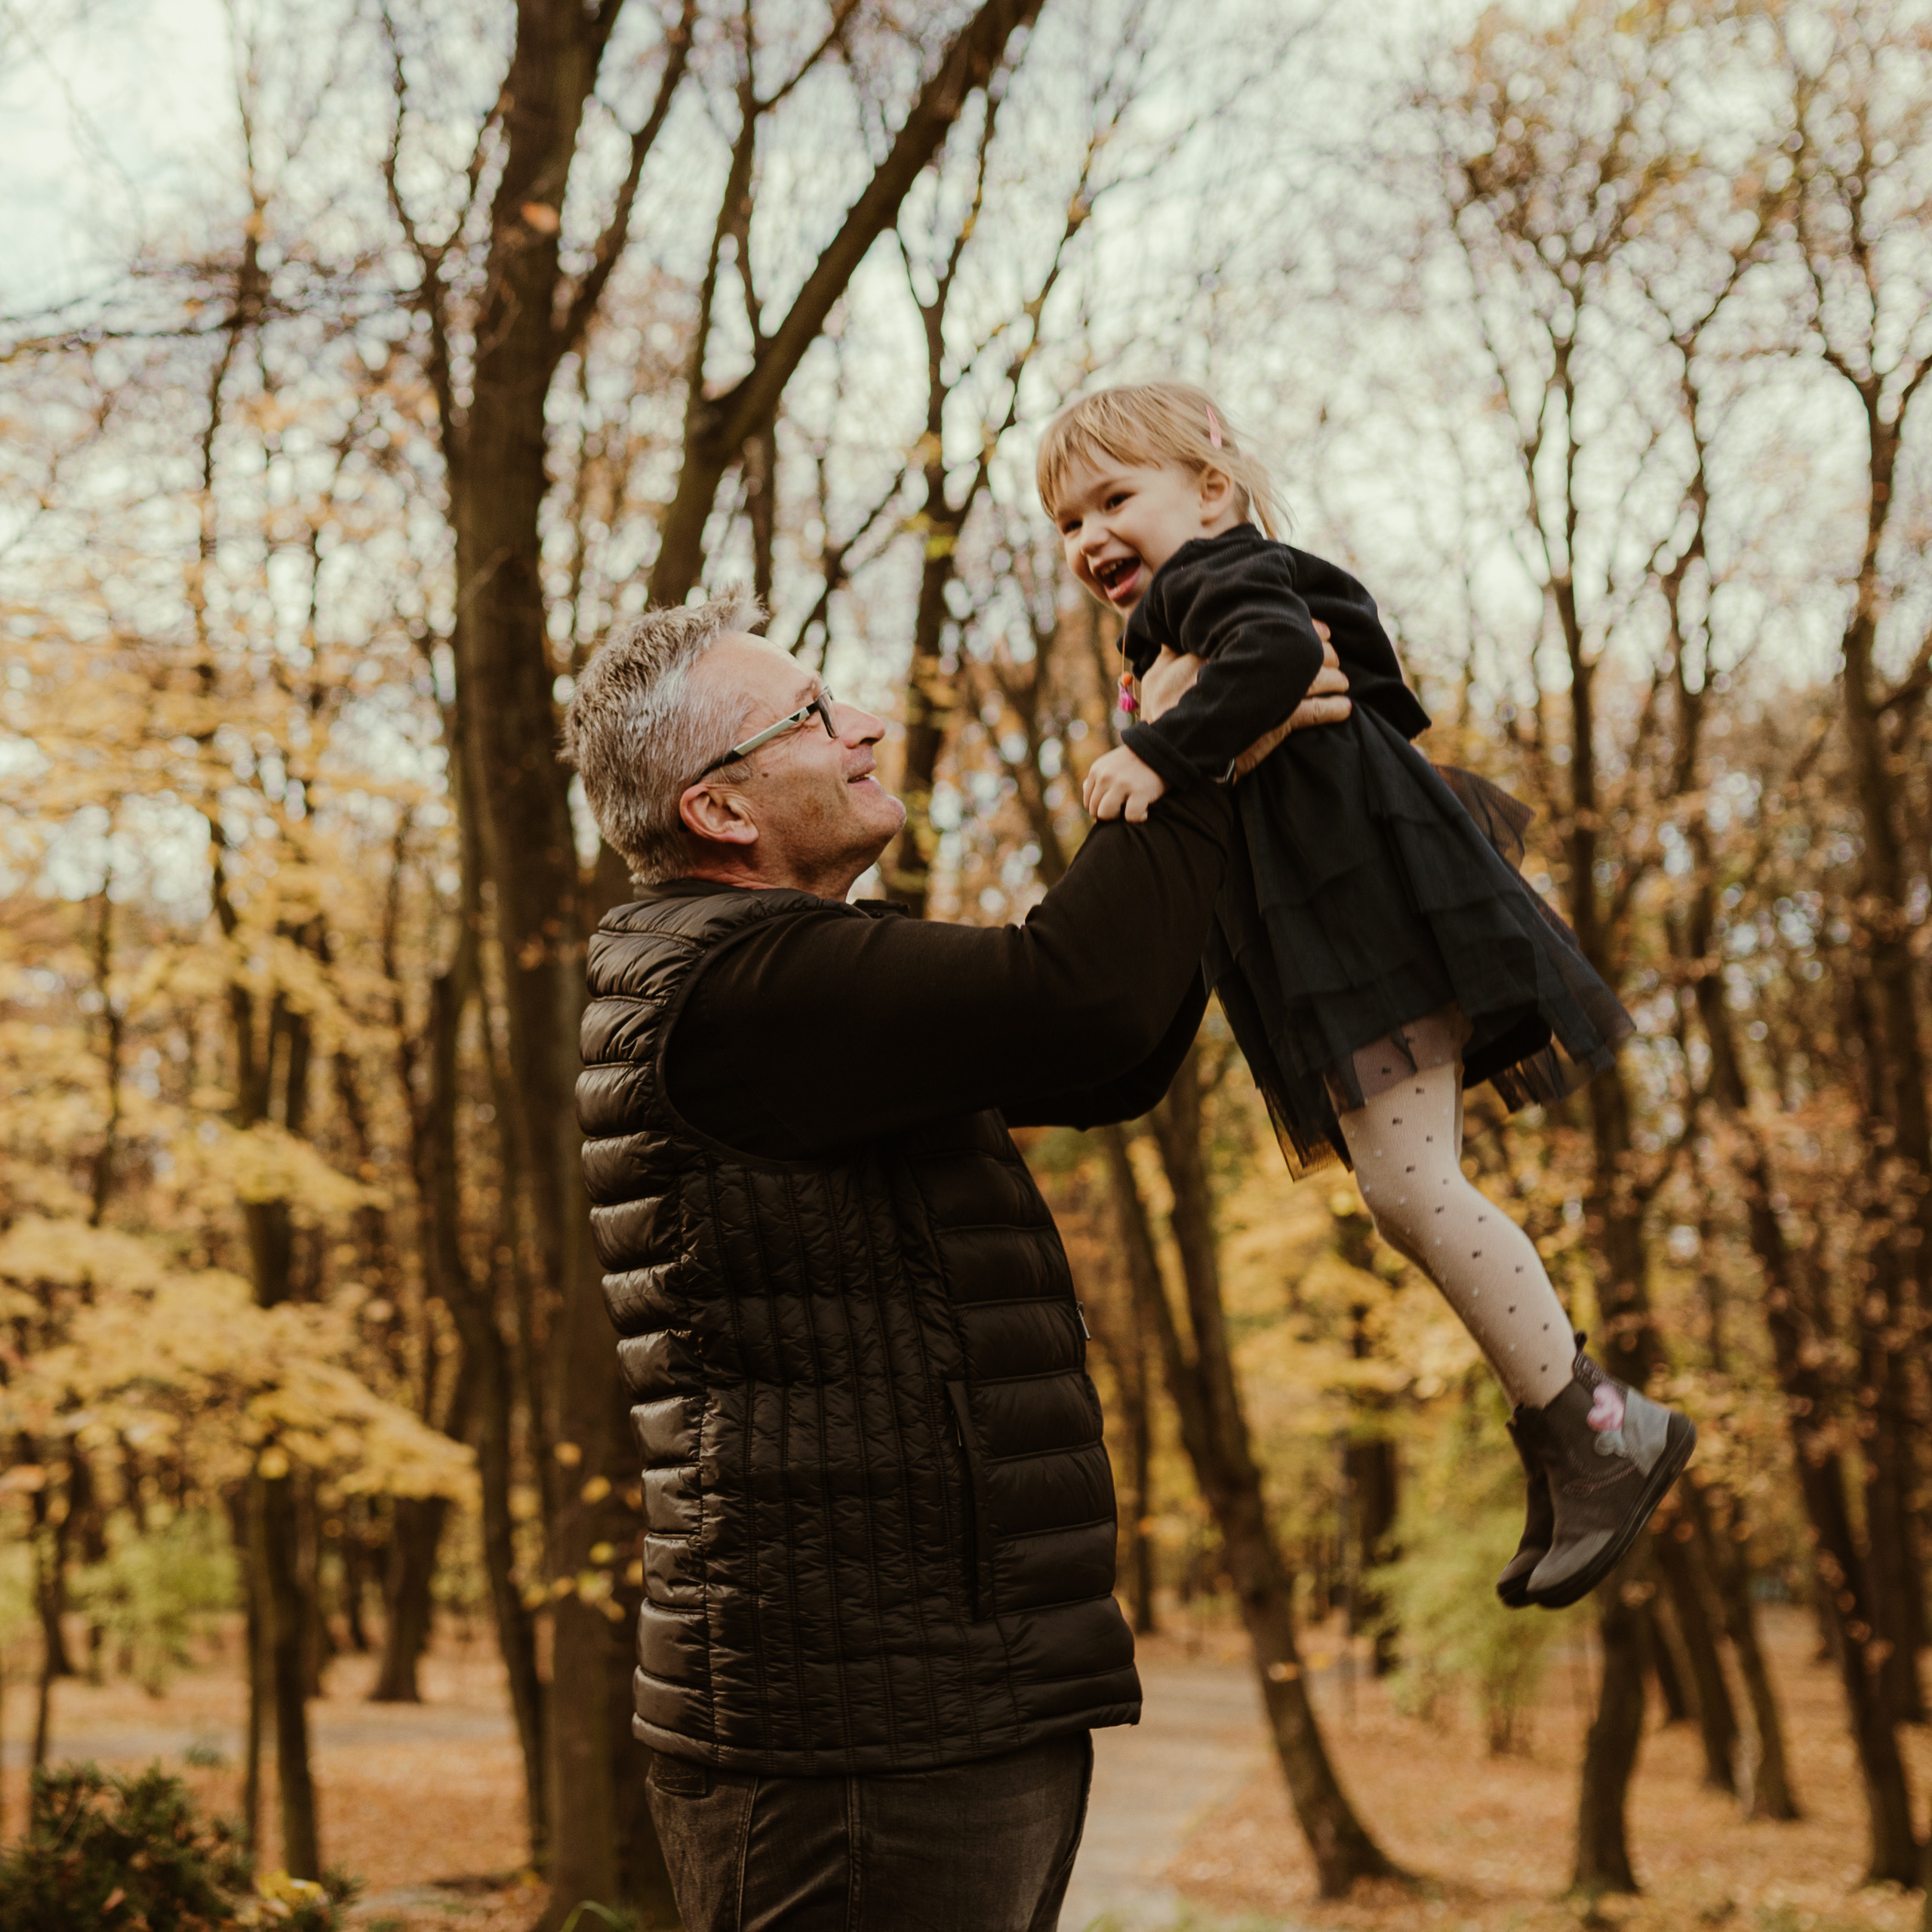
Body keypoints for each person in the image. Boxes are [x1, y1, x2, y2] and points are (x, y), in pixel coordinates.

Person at [563, 593, 1350, 1932]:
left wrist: (1217, 774)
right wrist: (1188, 747)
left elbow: (1107, 1051)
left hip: (938, 1706)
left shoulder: (778, 983)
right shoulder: (740, 988)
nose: (864, 724)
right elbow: (1076, 993)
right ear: (722, 812)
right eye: (812, 716)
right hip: (857, 1735)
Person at [1038, 380, 1696, 1614]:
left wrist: (1160, 750)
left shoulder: (1219, 580)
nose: (1088, 538)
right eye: (1068, 520)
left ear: (1213, 490)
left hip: (1360, 918)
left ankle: (1601, 1430)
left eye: (1114, 499)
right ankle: (1578, 1432)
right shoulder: (1194, 619)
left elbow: (1289, 660)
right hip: (1345, 918)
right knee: (1405, 1191)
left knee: (1410, 1185)